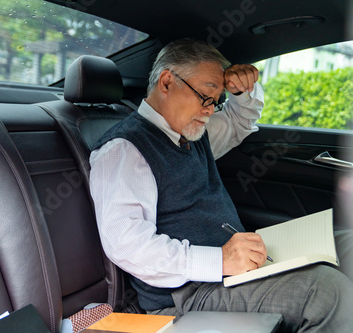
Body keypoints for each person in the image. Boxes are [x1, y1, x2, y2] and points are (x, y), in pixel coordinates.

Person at [89, 38, 353, 332]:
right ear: (166, 82)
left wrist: (240, 92)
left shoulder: (191, 132)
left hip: (235, 267)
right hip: (187, 292)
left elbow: (239, 122)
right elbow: (127, 245)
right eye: (206, 97)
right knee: (326, 292)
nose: (210, 110)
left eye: (216, 101)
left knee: (348, 244)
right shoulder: (125, 151)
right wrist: (219, 261)